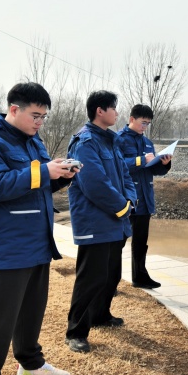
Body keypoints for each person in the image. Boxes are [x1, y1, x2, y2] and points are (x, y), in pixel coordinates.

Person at [0, 82, 77, 375]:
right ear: (14, 109)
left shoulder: (33, 142)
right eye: (35, 115)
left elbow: (37, 186)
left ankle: (30, 365)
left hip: (36, 243)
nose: (40, 122)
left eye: (44, 117)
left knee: (31, 311)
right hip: (4, 246)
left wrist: (61, 175)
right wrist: (44, 171)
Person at [64, 90, 136, 353]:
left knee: (111, 274)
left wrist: (130, 201)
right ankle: (76, 332)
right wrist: (122, 207)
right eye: (113, 108)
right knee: (91, 278)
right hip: (95, 221)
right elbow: (95, 184)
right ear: (100, 111)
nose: (117, 113)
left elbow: (125, 176)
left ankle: (101, 315)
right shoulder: (85, 143)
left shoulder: (111, 141)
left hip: (116, 221)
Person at [116, 104, 172, 289]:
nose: (145, 127)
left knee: (141, 242)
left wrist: (164, 164)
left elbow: (153, 170)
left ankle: (140, 277)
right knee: (117, 243)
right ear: (132, 119)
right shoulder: (119, 140)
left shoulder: (148, 142)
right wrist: (141, 160)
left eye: (148, 123)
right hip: (126, 199)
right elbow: (117, 166)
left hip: (145, 200)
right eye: (143, 122)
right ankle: (111, 282)